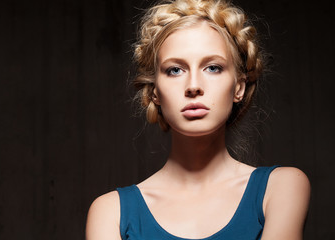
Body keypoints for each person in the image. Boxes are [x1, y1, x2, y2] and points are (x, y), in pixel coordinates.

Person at [86, 0, 311, 239]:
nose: (193, 86)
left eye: (213, 68)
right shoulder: (111, 212)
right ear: (154, 91)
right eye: (175, 70)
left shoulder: (280, 188)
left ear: (239, 87)